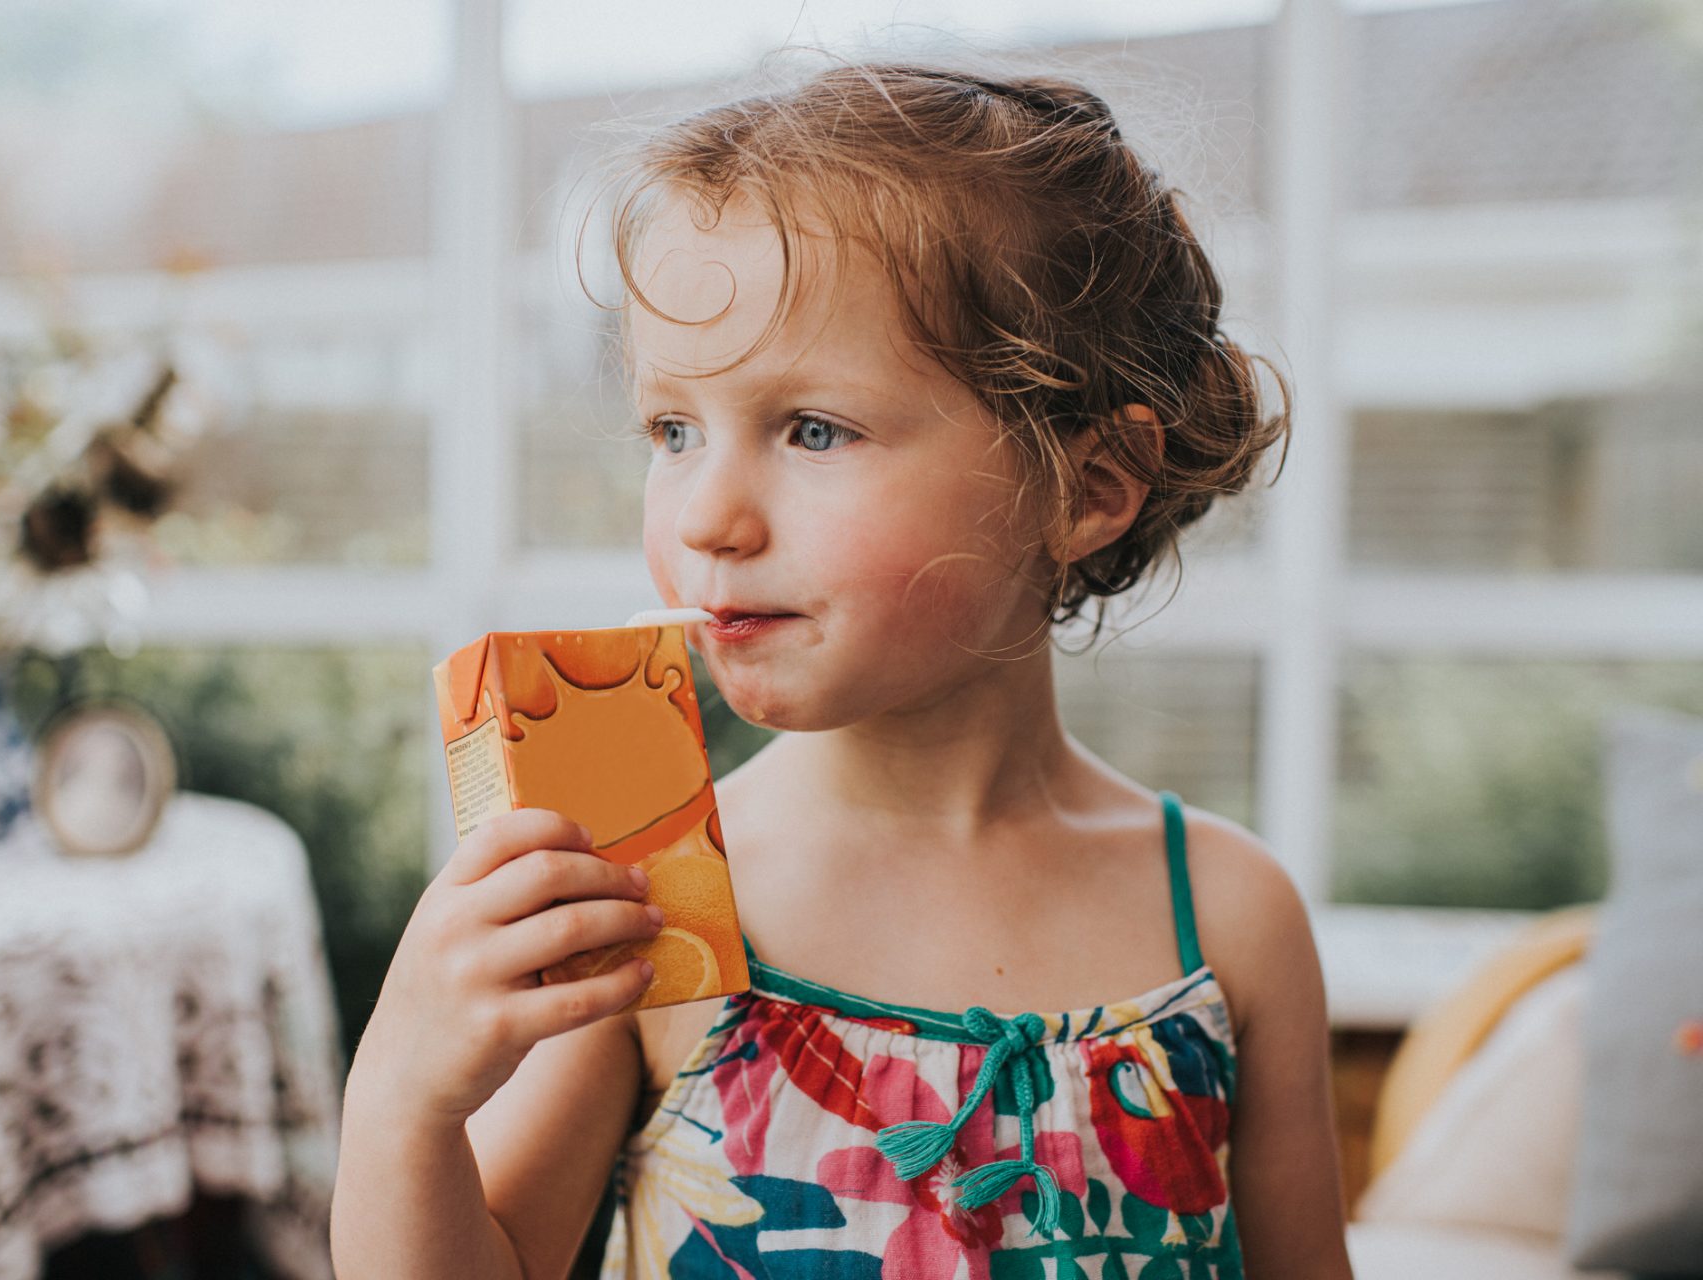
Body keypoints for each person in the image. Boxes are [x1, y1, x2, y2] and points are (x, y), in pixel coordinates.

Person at [334, 57, 1354, 1280]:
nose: (707, 515)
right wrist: (400, 1102)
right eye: (674, 429)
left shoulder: (1230, 918)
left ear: (1086, 487)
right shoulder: (651, 893)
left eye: (814, 429)